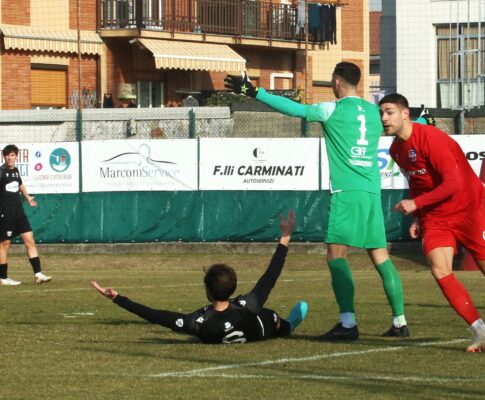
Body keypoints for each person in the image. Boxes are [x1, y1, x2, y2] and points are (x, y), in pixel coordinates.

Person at [225, 62, 408, 341]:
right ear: (357, 83)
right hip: (372, 193)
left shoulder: (331, 109)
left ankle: (347, 324)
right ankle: (400, 321)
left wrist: (255, 92)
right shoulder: (374, 111)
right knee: (381, 257)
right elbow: (403, 124)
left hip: (346, 193)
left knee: (337, 256)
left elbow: (296, 110)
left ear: (336, 82)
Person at [379, 93, 485, 352]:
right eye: (382, 113)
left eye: (389, 112)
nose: (384, 118)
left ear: (405, 113)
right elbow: (418, 183)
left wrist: (416, 205)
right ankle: (481, 332)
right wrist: (419, 216)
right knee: (440, 270)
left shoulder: (431, 139)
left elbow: (453, 184)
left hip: (466, 210)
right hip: (436, 217)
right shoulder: (396, 149)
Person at [91, 210, 308, 344]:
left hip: (227, 330)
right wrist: (285, 237)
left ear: (207, 291)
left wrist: (118, 298)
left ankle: (285, 324)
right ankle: (288, 325)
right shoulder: (247, 304)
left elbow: (155, 315)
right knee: (270, 317)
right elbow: (270, 276)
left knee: (262, 314)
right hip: (259, 330)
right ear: (233, 287)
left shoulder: (198, 323)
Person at [0, 145, 52, 286]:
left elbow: (20, 184)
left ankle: (38, 274)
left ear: (16, 156)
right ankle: (3, 278)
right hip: (6, 213)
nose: (10, 158)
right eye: (7, 155)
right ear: (3, 156)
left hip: (19, 212)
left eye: (12, 155)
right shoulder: (1, 171)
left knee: (30, 240)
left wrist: (28, 198)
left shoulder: (16, 171)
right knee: (4, 244)